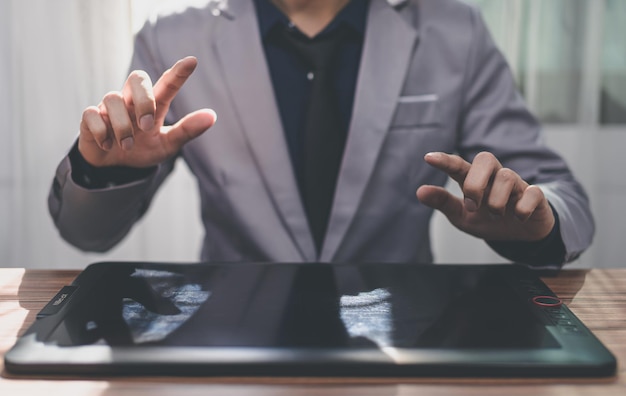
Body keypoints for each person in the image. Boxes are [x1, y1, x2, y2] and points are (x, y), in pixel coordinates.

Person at [48, 0, 594, 266]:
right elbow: (85, 235)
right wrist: (105, 171)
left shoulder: (455, 31)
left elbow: (567, 201)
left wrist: (536, 218)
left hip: (400, 343)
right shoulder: (171, 38)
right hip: (230, 347)